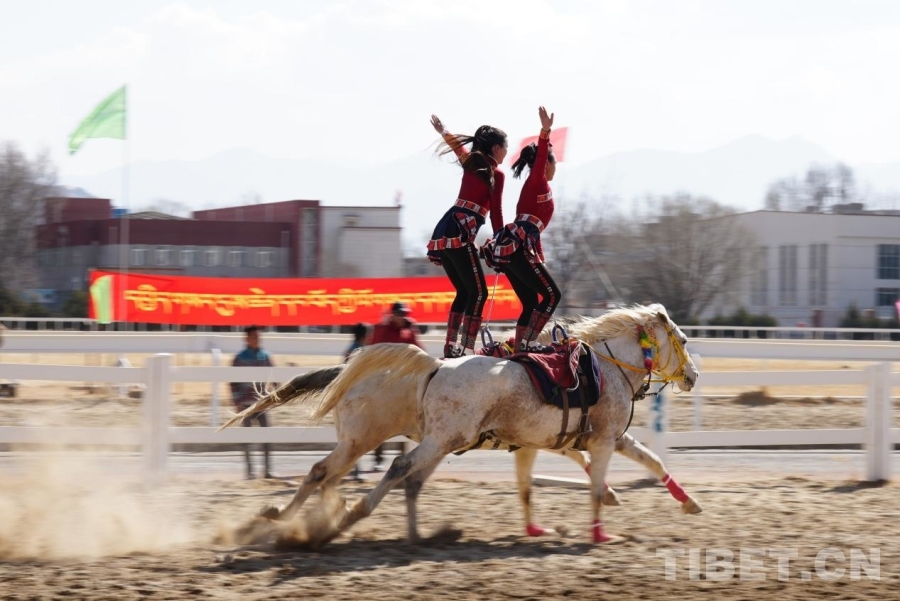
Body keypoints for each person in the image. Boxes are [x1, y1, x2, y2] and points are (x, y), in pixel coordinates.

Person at [426, 115, 508, 358]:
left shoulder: (471, 162)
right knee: (479, 292)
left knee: (465, 291)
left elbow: (457, 148)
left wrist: (444, 132)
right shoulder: (496, 174)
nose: (506, 152)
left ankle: (451, 346)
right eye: (505, 147)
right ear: (496, 148)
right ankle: (466, 348)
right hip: (460, 232)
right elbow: (497, 212)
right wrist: (502, 242)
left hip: (445, 230)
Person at [484, 106, 561, 353]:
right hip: (517, 248)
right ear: (546, 163)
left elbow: (534, 235)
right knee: (552, 296)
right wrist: (545, 131)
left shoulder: (538, 186)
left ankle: (521, 346)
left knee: (530, 302)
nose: (556, 167)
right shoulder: (537, 180)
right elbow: (540, 159)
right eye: (554, 162)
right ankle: (528, 342)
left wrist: (541, 260)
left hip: (519, 249)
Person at [368, 302, 423, 470]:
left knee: (407, 418)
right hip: (383, 380)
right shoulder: (382, 329)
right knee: (379, 419)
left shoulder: (409, 329)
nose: (402, 317)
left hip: (404, 380)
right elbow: (373, 350)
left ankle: (403, 458)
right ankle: (378, 458)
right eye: (399, 314)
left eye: (404, 314)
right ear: (392, 314)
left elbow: (419, 350)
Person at [230, 325, 276, 479]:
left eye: (258, 337)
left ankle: (268, 471)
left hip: (262, 403)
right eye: (254, 336)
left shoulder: (265, 356)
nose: (257, 339)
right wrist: (237, 402)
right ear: (247, 338)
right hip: (245, 404)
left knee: (268, 437)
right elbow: (233, 382)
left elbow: (274, 376)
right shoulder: (239, 358)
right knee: (247, 439)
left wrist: (276, 393)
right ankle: (250, 472)